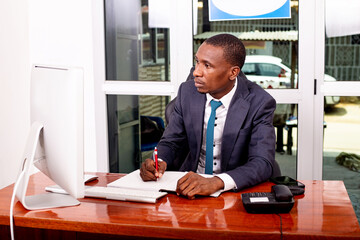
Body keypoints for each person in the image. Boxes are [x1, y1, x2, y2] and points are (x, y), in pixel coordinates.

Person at [140, 33, 276, 199]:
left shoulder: (260, 102)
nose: (196, 72)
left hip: (232, 190)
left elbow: (262, 162)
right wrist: (158, 161)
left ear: (233, 73)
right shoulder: (187, 92)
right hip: (188, 185)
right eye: (197, 61)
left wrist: (217, 181)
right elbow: (171, 141)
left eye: (207, 65)